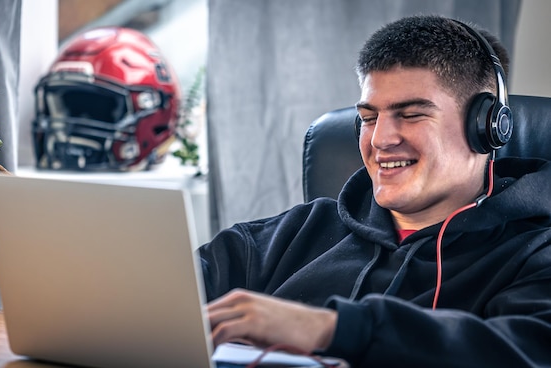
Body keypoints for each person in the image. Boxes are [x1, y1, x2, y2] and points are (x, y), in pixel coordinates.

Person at [198, 14, 551, 367]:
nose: (380, 139)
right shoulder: (290, 235)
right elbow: (167, 294)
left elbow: (528, 351)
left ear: (486, 127)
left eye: (411, 114)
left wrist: (335, 329)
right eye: (369, 118)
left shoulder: (536, 252)